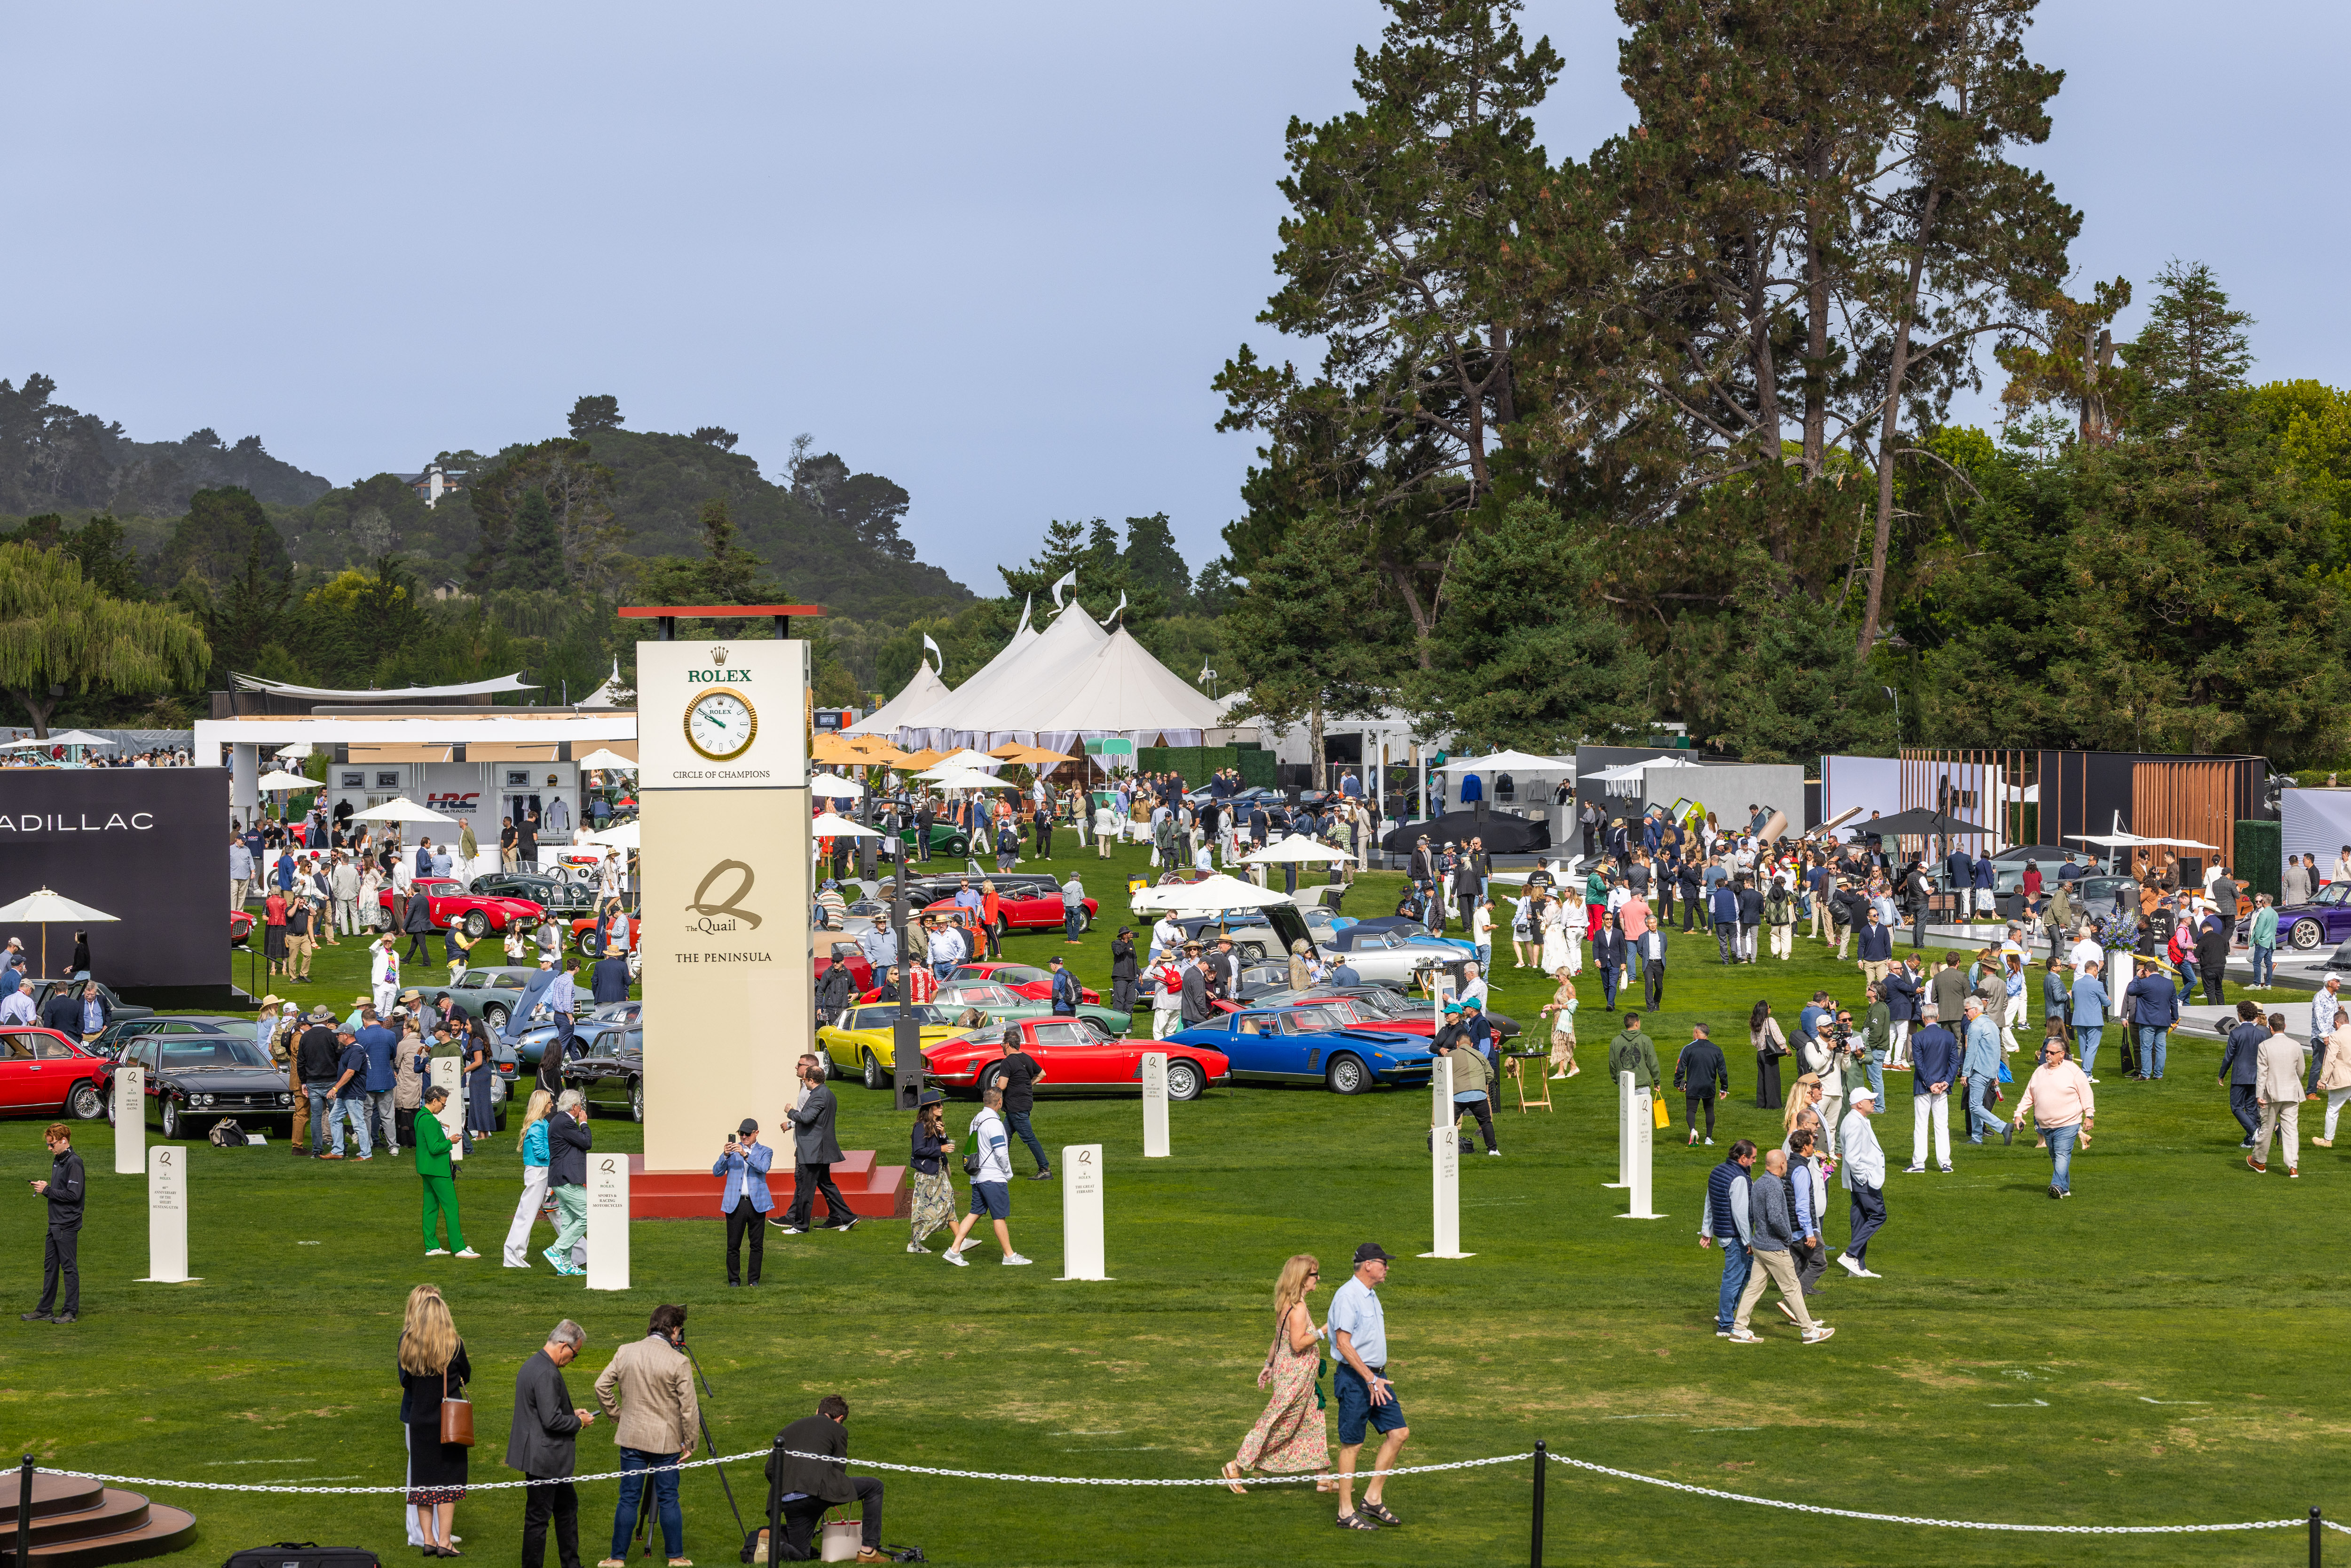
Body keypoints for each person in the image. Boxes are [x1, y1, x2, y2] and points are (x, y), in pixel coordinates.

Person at [595, 1304, 699, 1568]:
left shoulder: (626, 1351)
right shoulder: (679, 1361)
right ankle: (676, 1557)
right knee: (669, 1498)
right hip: (666, 1442)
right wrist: (691, 1441)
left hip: (632, 1438)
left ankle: (617, 1559)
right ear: (675, 1330)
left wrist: (618, 1416)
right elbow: (688, 1407)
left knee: (628, 1498)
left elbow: (602, 1386)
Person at [1222, 1254, 1333, 1494]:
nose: (1318, 1278)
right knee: (1281, 1424)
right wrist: (1325, 1330)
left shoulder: (1286, 1304)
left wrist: (1268, 1364)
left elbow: (1277, 1339)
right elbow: (1297, 1344)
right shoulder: (1299, 1308)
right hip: (1295, 1377)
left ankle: (1324, 1480)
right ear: (1303, 1279)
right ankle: (1236, 1467)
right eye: (1315, 1274)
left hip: (1294, 1374)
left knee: (1313, 1421)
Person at [1327, 1242, 1407, 1531]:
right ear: (1369, 1265)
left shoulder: (1370, 1295)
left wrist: (1375, 1379)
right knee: (1353, 1443)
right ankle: (1345, 1513)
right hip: (1356, 1379)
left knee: (1398, 1433)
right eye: (1384, 1263)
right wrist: (1369, 1379)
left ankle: (1372, 1499)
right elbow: (1344, 1344)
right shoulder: (1348, 1296)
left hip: (1377, 1379)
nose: (1388, 1267)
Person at [509, 1319, 595, 1568]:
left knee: (566, 1509)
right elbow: (552, 1420)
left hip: (540, 1456)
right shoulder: (548, 1372)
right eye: (575, 1354)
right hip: (547, 1459)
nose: (573, 1360)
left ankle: (571, 1564)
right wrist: (578, 1422)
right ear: (563, 1346)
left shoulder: (532, 1364)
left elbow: (541, 1412)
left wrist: (571, 1412)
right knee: (539, 1519)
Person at [765, 1395, 891, 1565]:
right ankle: (868, 1552)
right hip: (816, 1495)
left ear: (818, 1411)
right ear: (840, 1419)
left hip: (788, 1501)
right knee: (875, 1487)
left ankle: (769, 1546)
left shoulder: (787, 1430)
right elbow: (839, 1471)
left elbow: (770, 1470)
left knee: (801, 1554)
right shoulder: (839, 1430)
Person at [1727, 1150, 1832, 1345]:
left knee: (1754, 1288)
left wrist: (1753, 1239)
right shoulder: (1775, 1186)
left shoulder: (1758, 1182)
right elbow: (1776, 1218)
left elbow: (1752, 1213)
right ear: (1782, 1165)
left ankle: (1739, 1328)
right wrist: (1787, 1237)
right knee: (1792, 1288)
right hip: (1774, 1247)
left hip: (1760, 1244)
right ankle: (1809, 1331)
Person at [399, 1290, 472, 1555]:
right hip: (447, 1420)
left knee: (423, 1482)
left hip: (419, 1420)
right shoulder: (454, 1344)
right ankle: (445, 1541)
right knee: (449, 1481)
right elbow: (467, 1374)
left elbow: (406, 1380)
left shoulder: (408, 1343)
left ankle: (428, 1540)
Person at [941, 1088, 1029, 1266]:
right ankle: (1009, 1256)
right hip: (993, 1177)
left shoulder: (976, 1120)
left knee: (975, 1212)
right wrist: (1007, 1172)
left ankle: (954, 1250)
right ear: (1000, 1102)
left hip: (978, 1177)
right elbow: (1001, 1152)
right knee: (999, 1217)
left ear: (984, 1100)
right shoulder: (995, 1124)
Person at [778, 1055, 856, 1234]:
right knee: (827, 1185)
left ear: (812, 1080)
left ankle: (800, 1226)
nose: (804, 1083)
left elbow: (806, 1118)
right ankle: (848, 1217)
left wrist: (790, 1112)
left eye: (805, 1080)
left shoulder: (819, 1096)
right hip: (819, 1150)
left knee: (805, 1190)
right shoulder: (827, 1093)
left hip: (813, 1151)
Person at [2013, 1035, 2095, 1198]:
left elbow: (2087, 1094)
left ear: (2062, 1054)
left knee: (2062, 1154)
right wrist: (2019, 1113)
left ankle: (2056, 1185)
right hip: (2046, 1125)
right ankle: (2064, 1189)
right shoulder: (2040, 1071)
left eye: (2051, 1052)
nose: (2047, 1055)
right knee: (2055, 1156)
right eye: (2046, 1052)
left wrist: (2089, 1115)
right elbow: (2029, 1095)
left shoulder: (2073, 1071)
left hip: (2068, 1123)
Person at [22, 1124, 83, 1324]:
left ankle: (70, 1312)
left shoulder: (74, 1163)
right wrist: (45, 1188)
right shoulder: (59, 1161)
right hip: (55, 1223)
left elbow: (74, 1195)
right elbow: (61, 1190)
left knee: (69, 1268)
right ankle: (45, 1310)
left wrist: (47, 1190)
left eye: (52, 1144)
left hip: (66, 1225)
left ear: (64, 1140)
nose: (50, 1148)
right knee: (50, 1268)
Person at [1698, 1140, 1757, 1336]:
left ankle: (1727, 1313)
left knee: (1746, 1274)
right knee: (1733, 1279)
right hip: (1736, 1237)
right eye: (1753, 1158)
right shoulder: (1739, 1178)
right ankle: (1725, 1325)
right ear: (1743, 1158)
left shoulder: (1718, 1171)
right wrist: (1748, 1241)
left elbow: (1710, 1201)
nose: (1755, 1162)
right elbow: (1741, 1214)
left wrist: (1707, 1231)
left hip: (1726, 1234)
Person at [978, 1032, 1050, 1180]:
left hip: (1016, 1106)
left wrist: (991, 1094)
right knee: (1005, 1136)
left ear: (1008, 1045)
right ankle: (999, 1166)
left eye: (1002, 1045)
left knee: (1029, 1138)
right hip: (1023, 1104)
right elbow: (1042, 1073)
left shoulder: (1008, 1062)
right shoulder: (1027, 1058)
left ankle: (1045, 1169)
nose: (1002, 1048)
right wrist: (1028, 1085)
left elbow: (1002, 1085)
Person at [2249, 1012, 2310, 1177]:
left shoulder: (2265, 1046)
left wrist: (2259, 1094)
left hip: (2271, 1093)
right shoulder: (2296, 1045)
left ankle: (2260, 1162)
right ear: (2285, 1026)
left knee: (2267, 1128)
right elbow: (2301, 1071)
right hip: (2292, 1092)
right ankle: (2293, 1166)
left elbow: (2262, 1072)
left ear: (2270, 1028)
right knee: (2291, 1130)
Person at [1836, 1088, 1887, 1279]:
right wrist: (1865, 1177)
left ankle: (1857, 1268)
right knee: (1879, 1216)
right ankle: (1850, 1255)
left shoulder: (1856, 1120)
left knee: (1861, 1220)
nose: (1874, 1102)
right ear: (1859, 1104)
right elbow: (1852, 1157)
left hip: (1858, 1180)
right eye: (1870, 1100)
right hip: (1863, 1180)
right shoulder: (1855, 1123)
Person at [716, 1118, 774, 1284]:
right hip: (736, 1204)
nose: (744, 1137)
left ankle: (753, 1280)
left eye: (748, 1134)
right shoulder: (731, 1152)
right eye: (741, 1133)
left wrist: (745, 1155)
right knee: (733, 1245)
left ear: (756, 1133)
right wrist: (725, 1156)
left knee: (756, 1245)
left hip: (757, 1204)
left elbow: (764, 1168)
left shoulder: (766, 1151)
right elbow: (717, 1172)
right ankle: (734, 1281)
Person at [504, 1089, 556, 1269]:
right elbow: (542, 1153)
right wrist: (559, 1155)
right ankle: (512, 1255)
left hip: (543, 1173)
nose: (552, 1104)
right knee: (526, 1215)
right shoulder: (537, 1126)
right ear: (542, 1105)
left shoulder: (542, 1124)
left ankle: (580, 1251)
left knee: (558, 1212)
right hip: (538, 1174)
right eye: (549, 1102)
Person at [1432, 1018, 1498, 1157]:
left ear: (1457, 1044)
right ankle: (1493, 1150)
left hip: (1458, 1096)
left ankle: (1442, 1148)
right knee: (1486, 1122)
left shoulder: (1450, 1055)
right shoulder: (1479, 1055)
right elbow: (1491, 1075)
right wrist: (1480, 1083)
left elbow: (1442, 1075)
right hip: (1479, 1095)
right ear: (1472, 1044)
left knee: (1448, 1123)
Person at [1905, 1008, 1958, 1175]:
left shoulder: (1919, 1037)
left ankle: (1919, 1163)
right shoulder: (1948, 1036)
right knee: (1942, 1125)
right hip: (1941, 1088)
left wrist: (1930, 1084)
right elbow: (1955, 1062)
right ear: (1938, 1016)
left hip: (1923, 1087)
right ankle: (1945, 1163)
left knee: (1921, 1125)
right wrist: (1946, 1083)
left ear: (1923, 1017)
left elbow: (1919, 1064)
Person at [545, 1091, 592, 1276]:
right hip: (566, 1179)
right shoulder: (565, 1122)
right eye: (580, 1105)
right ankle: (557, 1250)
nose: (581, 1108)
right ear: (574, 1107)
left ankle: (564, 1266)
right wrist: (584, 1124)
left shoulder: (560, 1121)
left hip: (561, 1178)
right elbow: (586, 1142)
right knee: (589, 1214)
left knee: (569, 1222)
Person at [907, 1092, 956, 1254]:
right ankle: (914, 1244)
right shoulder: (920, 1127)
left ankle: (960, 1240)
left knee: (949, 1202)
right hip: (927, 1175)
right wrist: (940, 1149)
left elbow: (943, 1143)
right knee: (923, 1211)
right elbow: (919, 1150)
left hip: (939, 1173)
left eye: (942, 1104)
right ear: (929, 1109)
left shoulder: (936, 1125)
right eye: (938, 1105)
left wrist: (943, 1135)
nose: (941, 1108)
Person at [2219, 1000, 2267, 1150]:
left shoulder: (2236, 1033)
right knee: (2251, 1109)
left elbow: (2229, 1057)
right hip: (2257, 1076)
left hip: (2240, 1076)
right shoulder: (2260, 1034)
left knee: (2236, 1107)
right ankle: (2249, 1141)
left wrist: (2222, 1074)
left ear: (2240, 1015)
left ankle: (2254, 1132)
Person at [2122, 958, 2181, 1081]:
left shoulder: (2144, 983)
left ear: (2147, 971)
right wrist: (2174, 1018)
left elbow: (2131, 991)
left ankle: (2146, 1074)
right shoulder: (2169, 983)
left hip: (2147, 1021)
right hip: (2164, 1021)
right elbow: (2174, 1003)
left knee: (2146, 1048)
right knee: (2161, 1048)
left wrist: (2137, 977)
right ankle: (2159, 1074)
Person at [1674, 1024, 1728, 1146]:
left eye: (1694, 1033)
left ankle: (1693, 1130)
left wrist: (1678, 1083)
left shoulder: (1688, 1049)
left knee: (1691, 1110)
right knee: (1709, 1110)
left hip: (1693, 1085)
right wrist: (1724, 1088)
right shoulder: (1716, 1049)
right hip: (1709, 1086)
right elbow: (1723, 1072)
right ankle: (1708, 1138)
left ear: (1697, 1034)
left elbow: (1680, 1067)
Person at [1538, 969, 1579, 1079]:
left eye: (1558, 976)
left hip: (1564, 1021)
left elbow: (1573, 1005)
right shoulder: (1561, 987)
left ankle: (1561, 1072)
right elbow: (1558, 1003)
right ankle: (1574, 1068)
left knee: (1560, 1044)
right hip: (1557, 1020)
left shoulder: (1570, 988)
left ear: (1565, 976)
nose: (1557, 978)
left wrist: (1558, 1007)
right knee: (1562, 1045)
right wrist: (1551, 1006)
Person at [1750, 1000, 1787, 1110]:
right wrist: (1785, 1047)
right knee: (1773, 1079)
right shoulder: (1770, 1021)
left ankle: (1762, 1103)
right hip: (1770, 1053)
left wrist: (1760, 1047)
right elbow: (1777, 1035)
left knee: (1762, 1079)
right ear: (1765, 1010)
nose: (1770, 1008)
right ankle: (1773, 1104)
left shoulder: (1755, 1022)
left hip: (1760, 1053)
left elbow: (1754, 1041)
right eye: (1768, 1007)